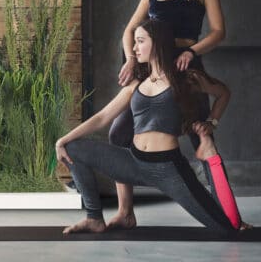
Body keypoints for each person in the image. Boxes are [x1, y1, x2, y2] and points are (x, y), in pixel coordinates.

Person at [56, 20, 243, 234]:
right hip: (134, 162)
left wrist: (212, 123)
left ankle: (212, 156)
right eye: (134, 42)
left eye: (140, 41)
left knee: (226, 228)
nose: (134, 49)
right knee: (72, 148)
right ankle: (94, 218)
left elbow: (223, 93)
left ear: (158, 43)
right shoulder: (136, 84)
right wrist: (62, 140)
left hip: (168, 169)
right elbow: (102, 117)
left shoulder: (187, 78)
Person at [108, 0, 234, 229]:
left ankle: (229, 216)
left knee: (202, 137)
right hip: (154, 74)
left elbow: (218, 32)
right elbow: (129, 31)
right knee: (118, 135)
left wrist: (191, 51)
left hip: (186, 68)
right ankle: (126, 212)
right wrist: (130, 58)